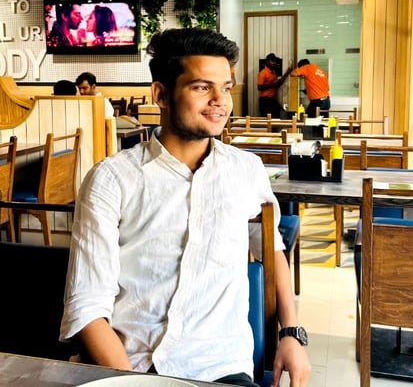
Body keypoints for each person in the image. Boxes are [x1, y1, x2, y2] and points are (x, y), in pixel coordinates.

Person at [60, 28, 311, 387]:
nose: (220, 101)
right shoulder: (111, 179)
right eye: (201, 87)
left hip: (220, 368)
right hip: (131, 367)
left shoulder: (246, 171)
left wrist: (291, 333)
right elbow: (86, 306)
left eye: (225, 87)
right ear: (161, 94)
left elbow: (270, 249)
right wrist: (130, 382)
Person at [257, 53, 292, 118]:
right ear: (267, 61)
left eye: (275, 61)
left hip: (272, 100)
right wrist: (273, 85)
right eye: (272, 61)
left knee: (283, 115)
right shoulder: (263, 73)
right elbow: (259, 87)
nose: (274, 63)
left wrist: (287, 72)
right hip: (265, 101)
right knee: (269, 121)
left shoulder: (273, 72)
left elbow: (278, 84)